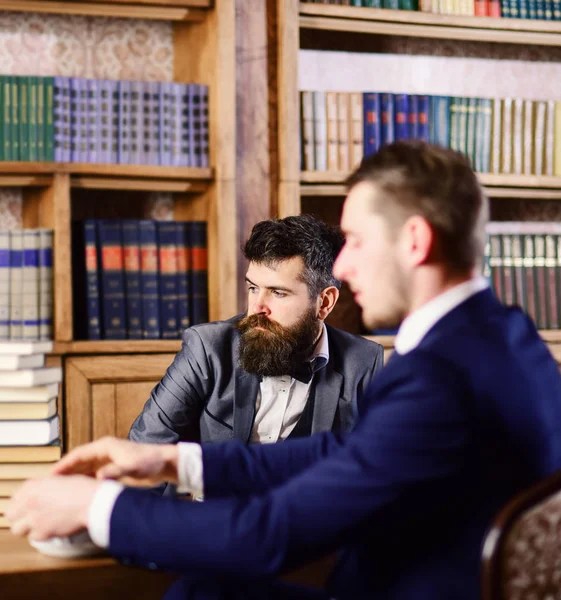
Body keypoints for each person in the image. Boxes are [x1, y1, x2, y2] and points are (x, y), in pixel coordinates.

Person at [9, 141, 561, 600]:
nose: (343, 266)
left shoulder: (437, 378)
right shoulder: (507, 338)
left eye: (358, 242)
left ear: (415, 240)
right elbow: (350, 453)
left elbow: (268, 536)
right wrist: (174, 460)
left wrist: (97, 505)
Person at [129, 214, 383, 453]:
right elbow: (144, 449)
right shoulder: (207, 348)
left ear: (325, 302)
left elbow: (373, 465)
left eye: (278, 292)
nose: (256, 308)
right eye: (253, 288)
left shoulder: (363, 362)